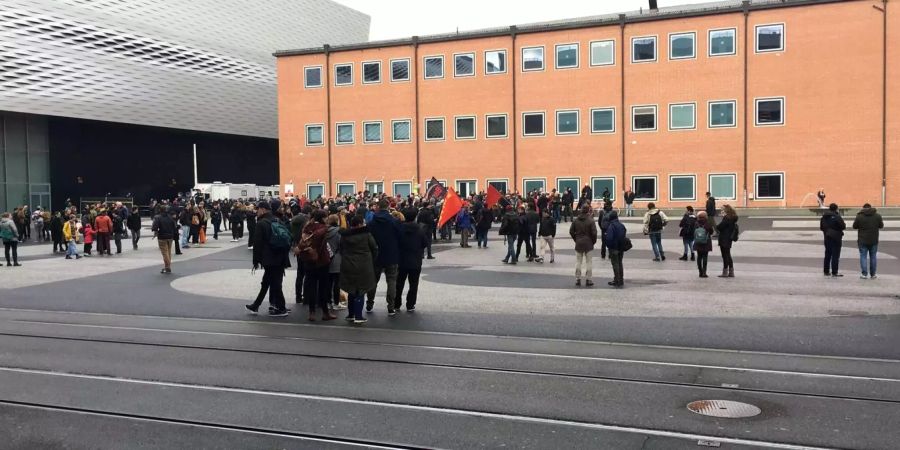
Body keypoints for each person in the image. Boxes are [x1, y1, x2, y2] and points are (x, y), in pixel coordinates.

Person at [247, 201, 291, 317]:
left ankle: (282, 308)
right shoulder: (277, 220)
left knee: (275, 284)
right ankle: (256, 305)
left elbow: (257, 244)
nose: (256, 211)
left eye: (258, 209)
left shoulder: (261, 223)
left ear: (263, 209)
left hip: (270, 258)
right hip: (280, 257)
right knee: (266, 282)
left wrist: (256, 261)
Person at [340, 215, 378, 324]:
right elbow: (374, 248)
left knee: (351, 289)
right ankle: (358, 316)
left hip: (348, 264)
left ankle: (351, 314)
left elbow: (341, 249)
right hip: (364, 265)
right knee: (360, 290)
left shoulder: (345, 235)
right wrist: (371, 260)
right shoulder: (366, 235)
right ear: (360, 224)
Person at [366, 199, 402, 316]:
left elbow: (368, 238)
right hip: (391, 254)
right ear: (388, 207)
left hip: (376, 255)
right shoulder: (394, 221)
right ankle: (391, 307)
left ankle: (369, 303)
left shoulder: (372, 221)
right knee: (391, 281)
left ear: (377, 207)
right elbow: (400, 236)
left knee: (373, 281)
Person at [300, 209, 336, 321]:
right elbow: (321, 236)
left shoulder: (307, 227)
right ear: (322, 218)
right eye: (326, 217)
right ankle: (325, 312)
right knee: (323, 287)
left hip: (308, 260)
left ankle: (312, 312)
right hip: (321, 260)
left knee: (311, 286)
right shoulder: (323, 228)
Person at [397, 210, 427, 312]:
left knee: (399, 283)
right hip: (415, 260)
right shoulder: (420, 229)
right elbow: (425, 243)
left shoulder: (399, 228)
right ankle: (410, 304)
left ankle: (397, 303)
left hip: (401, 259)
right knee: (413, 284)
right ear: (415, 217)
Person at [852, 203, 883, 280]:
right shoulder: (877, 216)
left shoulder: (859, 216)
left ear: (863, 208)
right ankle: (873, 274)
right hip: (874, 240)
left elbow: (854, 226)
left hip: (862, 240)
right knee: (873, 257)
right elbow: (881, 226)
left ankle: (864, 274)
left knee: (863, 257)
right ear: (870, 207)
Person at [570, 206, 597, 287]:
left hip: (579, 242)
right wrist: (593, 241)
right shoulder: (591, 221)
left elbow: (571, 231)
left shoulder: (576, 220)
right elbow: (594, 233)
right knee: (589, 262)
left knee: (578, 261)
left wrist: (576, 239)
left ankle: (578, 278)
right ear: (588, 211)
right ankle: (588, 279)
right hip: (588, 242)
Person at [820, 202, 846, 277]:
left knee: (827, 254)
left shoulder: (824, 217)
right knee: (835, 255)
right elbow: (843, 226)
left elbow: (821, 227)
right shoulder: (837, 216)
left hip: (827, 237)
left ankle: (826, 271)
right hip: (836, 238)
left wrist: (827, 231)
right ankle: (834, 272)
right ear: (836, 209)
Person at [290, 207, 310, 304]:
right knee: (307, 274)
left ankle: (298, 296)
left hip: (297, 247)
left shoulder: (294, 220)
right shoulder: (306, 221)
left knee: (299, 274)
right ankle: (306, 296)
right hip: (304, 248)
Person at [325, 214, 345, 310]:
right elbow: (342, 245)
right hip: (337, 258)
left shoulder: (324, 231)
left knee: (328, 283)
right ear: (337, 221)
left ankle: (328, 302)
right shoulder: (339, 232)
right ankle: (336, 303)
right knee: (337, 283)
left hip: (326, 258)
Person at [151, 205, 177, 273]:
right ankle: (167, 267)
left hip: (162, 237)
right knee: (168, 252)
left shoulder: (158, 217)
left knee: (165, 253)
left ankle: (168, 266)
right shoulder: (170, 217)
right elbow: (174, 227)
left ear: (160, 210)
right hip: (170, 237)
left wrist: (156, 231)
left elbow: (154, 227)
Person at [716, 204, 739, 278]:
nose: (721, 211)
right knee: (728, 255)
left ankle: (725, 272)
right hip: (729, 238)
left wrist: (722, 219)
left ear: (726, 210)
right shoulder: (732, 218)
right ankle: (731, 272)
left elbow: (719, 227)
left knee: (725, 255)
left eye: (722, 210)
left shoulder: (726, 218)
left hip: (724, 238)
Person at [605, 210, 627, 287]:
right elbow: (624, 235)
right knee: (620, 263)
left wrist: (609, 246)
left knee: (615, 264)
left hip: (614, 248)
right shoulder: (621, 225)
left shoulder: (611, 226)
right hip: (621, 247)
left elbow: (609, 238)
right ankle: (621, 279)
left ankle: (616, 280)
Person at [693, 211, 714, 278]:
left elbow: (693, 232)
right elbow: (711, 232)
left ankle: (700, 272)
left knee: (699, 257)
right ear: (705, 216)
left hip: (698, 242)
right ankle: (704, 272)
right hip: (706, 242)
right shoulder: (707, 223)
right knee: (705, 257)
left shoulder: (696, 223)